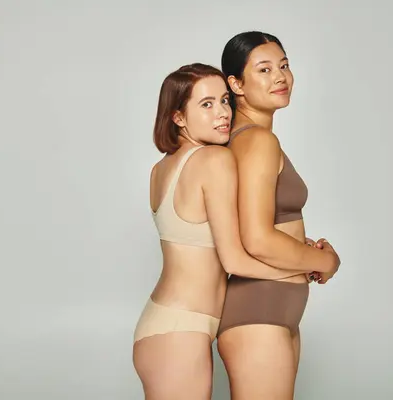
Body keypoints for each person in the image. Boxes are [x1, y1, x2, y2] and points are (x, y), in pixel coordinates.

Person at [132, 63, 316, 400]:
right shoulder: (213, 160)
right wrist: (306, 265)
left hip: (165, 324)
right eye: (207, 104)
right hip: (181, 330)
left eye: (225, 101)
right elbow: (234, 260)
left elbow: (232, 233)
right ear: (178, 118)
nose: (222, 114)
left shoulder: (161, 168)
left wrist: (296, 249)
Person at [215, 31, 341, 400]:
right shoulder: (256, 141)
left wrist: (299, 251)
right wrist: (325, 261)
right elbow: (255, 238)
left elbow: (255, 224)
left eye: (284, 66)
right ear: (235, 84)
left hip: (274, 309)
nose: (281, 77)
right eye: (265, 69)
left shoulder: (248, 139)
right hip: (259, 310)